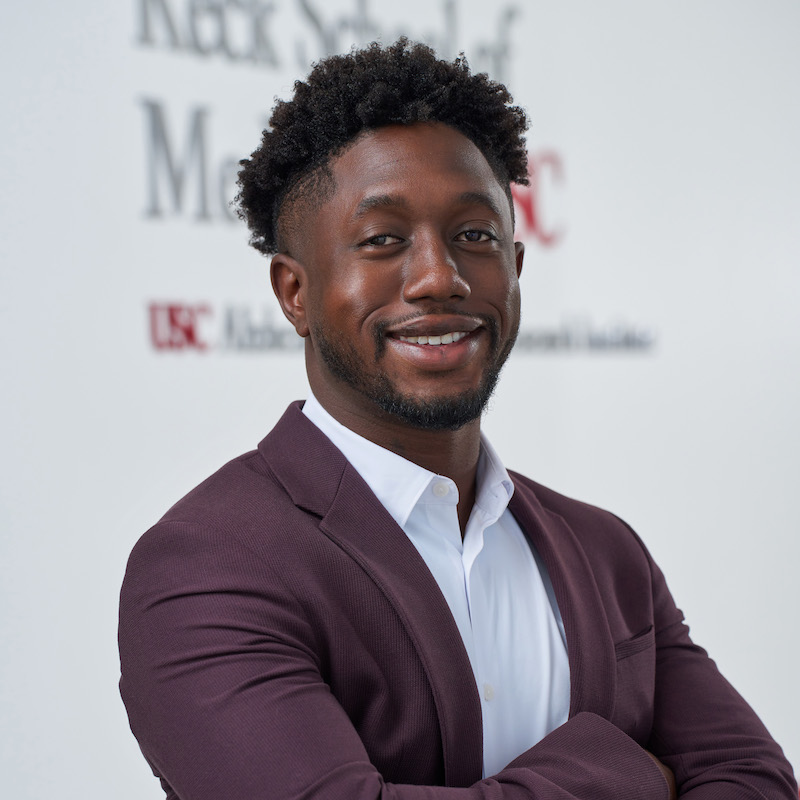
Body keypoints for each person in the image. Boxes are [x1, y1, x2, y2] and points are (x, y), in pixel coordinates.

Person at [118, 39, 796, 800]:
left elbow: (755, 780)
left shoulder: (607, 551)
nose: (440, 277)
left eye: (475, 236)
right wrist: (627, 773)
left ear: (515, 267)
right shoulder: (210, 564)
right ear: (294, 293)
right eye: (383, 240)